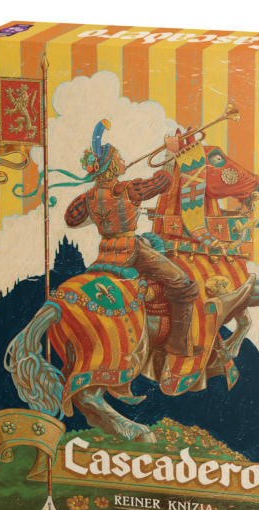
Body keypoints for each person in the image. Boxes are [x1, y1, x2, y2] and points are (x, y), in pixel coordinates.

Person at [65, 120, 203, 357]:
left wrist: (97, 213)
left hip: (105, 252)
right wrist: (170, 153)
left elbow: (71, 219)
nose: (123, 160)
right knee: (182, 280)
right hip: (131, 249)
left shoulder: (88, 196)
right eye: (118, 157)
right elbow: (163, 183)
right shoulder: (128, 189)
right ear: (111, 165)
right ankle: (177, 343)